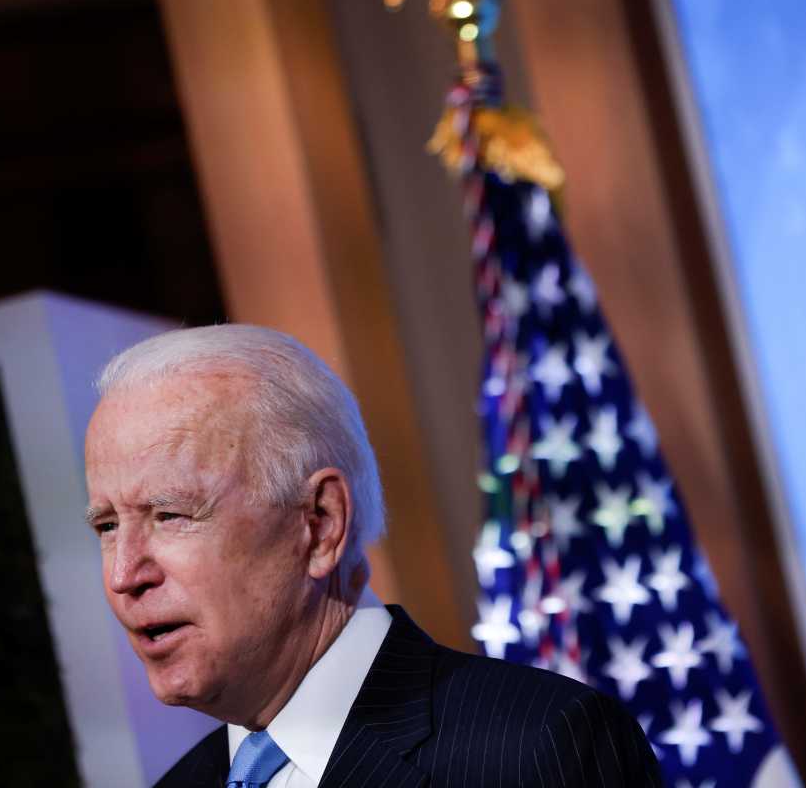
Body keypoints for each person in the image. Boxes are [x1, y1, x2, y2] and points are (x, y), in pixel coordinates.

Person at [83, 324, 661, 788]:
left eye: (170, 515)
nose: (123, 575)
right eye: (107, 525)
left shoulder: (535, 748)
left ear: (320, 524)